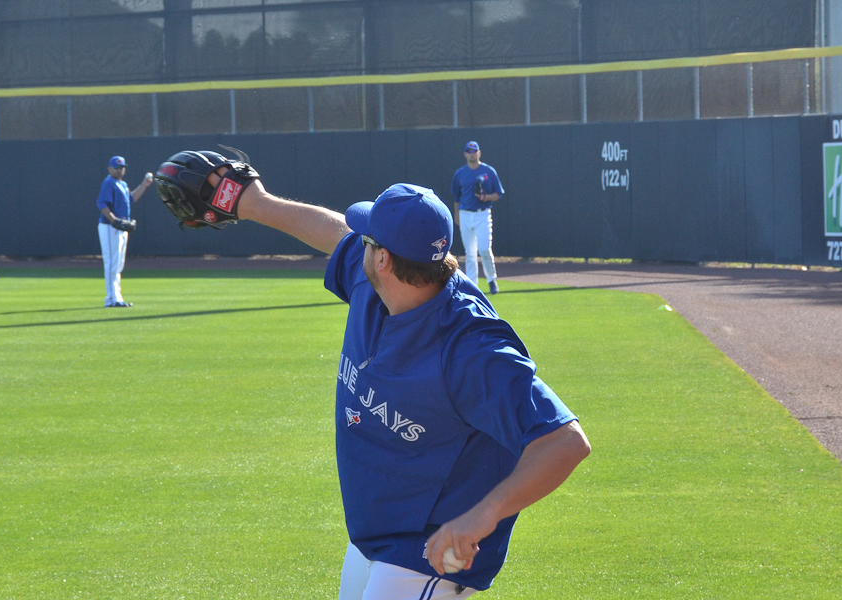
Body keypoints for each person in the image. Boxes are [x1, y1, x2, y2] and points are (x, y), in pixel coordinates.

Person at [206, 168, 590, 600]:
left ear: (384, 258)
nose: (358, 243)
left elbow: (565, 441)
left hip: (429, 549)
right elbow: (334, 230)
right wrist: (253, 203)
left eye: (368, 240)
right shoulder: (381, 281)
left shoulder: (471, 347)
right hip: (375, 532)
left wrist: (484, 516)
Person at [96, 156, 153, 307]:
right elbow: (101, 204)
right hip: (109, 227)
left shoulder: (122, 184)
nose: (119, 169)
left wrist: (144, 185)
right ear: (109, 169)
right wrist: (114, 220)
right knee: (112, 263)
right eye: (116, 167)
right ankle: (111, 299)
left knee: (119, 264)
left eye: (121, 167)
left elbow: (131, 198)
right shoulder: (109, 183)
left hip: (121, 227)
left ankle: (117, 297)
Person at [450, 141, 504, 294]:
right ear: (465, 154)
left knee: (484, 249)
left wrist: (485, 197)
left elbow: (498, 194)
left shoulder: (488, 171)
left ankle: (492, 280)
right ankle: (472, 286)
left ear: (479, 153)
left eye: (474, 151)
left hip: (483, 214)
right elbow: (456, 197)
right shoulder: (460, 173)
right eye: (469, 151)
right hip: (465, 213)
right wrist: (457, 215)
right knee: (470, 253)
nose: (472, 153)